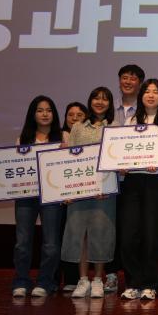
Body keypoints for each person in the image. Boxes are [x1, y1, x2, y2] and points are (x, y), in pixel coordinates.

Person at [119, 79, 158, 301]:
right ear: (141, 96)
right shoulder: (131, 120)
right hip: (132, 181)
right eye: (147, 91)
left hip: (156, 183)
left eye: (155, 91)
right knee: (129, 234)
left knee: (153, 234)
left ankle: (151, 283)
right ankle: (133, 282)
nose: (151, 95)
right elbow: (121, 149)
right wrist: (121, 164)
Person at [63, 87, 117, 299]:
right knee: (81, 235)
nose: (100, 102)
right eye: (96, 98)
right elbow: (70, 159)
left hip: (104, 192)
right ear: (90, 101)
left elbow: (116, 159)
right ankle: (83, 279)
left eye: (105, 99)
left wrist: (106, 184)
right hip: (80, 190)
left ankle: (98, 280)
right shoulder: (77, 127)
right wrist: (68, 190)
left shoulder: (115, 127)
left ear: (110, 103)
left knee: (100, 234)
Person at [7, 96, 63, 298]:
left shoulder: (63, 137)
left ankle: (44, 282)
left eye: (48, 110)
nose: (45, 114)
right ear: (33, 114)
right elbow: (11, 166)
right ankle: (21, 280)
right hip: (26, 196)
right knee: (22, 242)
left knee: (51, 243)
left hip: (52, 196)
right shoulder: (23, 139)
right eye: (40, 110)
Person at [108, 63, 145, 294]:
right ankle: (111, 274)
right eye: (124, 77)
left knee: (133, 232)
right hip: (108, 180)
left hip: (134, 181)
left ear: (140, 83)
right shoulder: (109, 109)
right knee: (110, 230)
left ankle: (135, 279)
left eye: (133, 78)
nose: (128, 81)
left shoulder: (145, 112)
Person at [58, 101, 87, 292]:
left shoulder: (88, 137)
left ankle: (77, 278)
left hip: (82, 192)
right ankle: (66, 279)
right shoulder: (57, 136)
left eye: (79, 115)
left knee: (80, 237)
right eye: (70, 115)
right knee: (63, 236)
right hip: (60, 194)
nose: (74, 118)